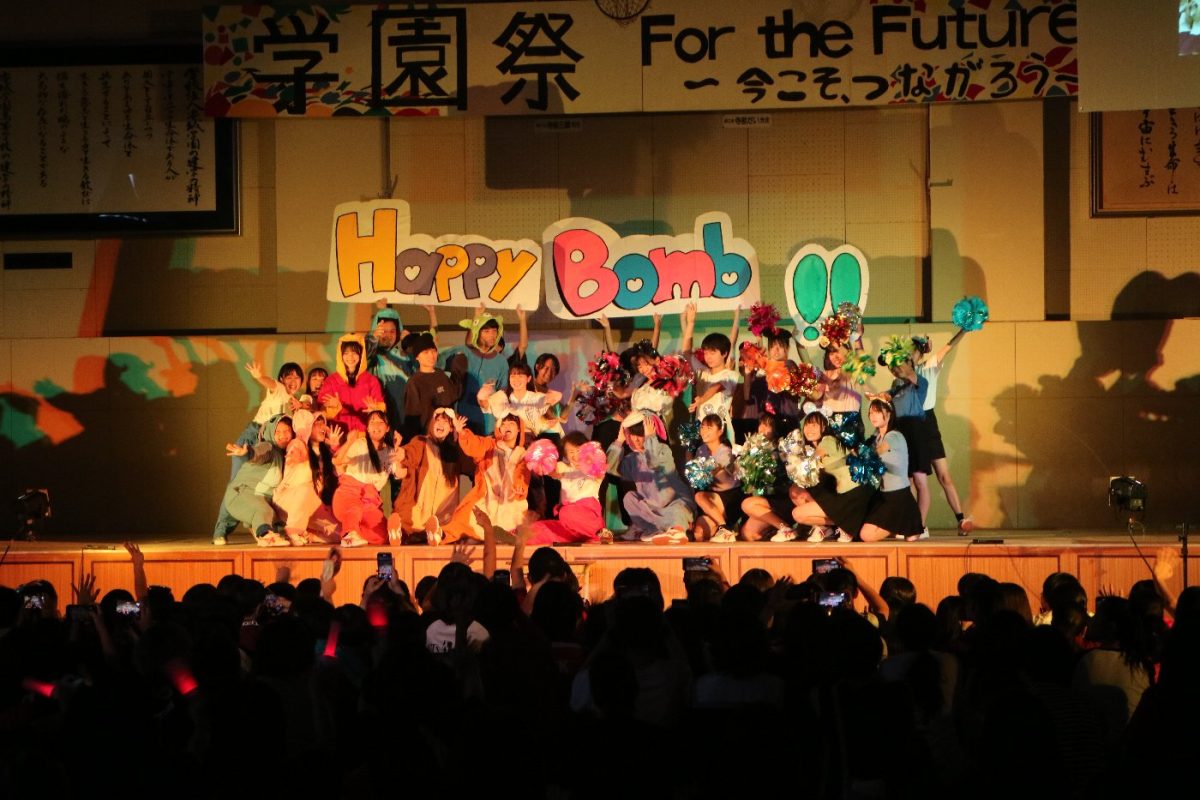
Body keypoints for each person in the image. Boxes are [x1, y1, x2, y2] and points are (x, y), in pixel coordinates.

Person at [914, 331, 973, 534]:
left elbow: (948, 348)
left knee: (944, 476)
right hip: (910, 425)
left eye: (914, 350)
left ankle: (961, 519)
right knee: (914, 480)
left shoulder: (928, 367)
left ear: (921, 351)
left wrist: (963, 329)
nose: (911, 354)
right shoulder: (901, 374)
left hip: (928, 423)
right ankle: (916, 524)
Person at [872, 336, 930, 537]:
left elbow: (908, 372)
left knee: (920, 480)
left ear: (909, 362)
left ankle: (920, 526)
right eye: (891, 367)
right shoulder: (895, 384)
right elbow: (886, 396)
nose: (895, 369)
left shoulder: (918, 380)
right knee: (905, 481)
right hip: (899, 431)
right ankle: (907, 524)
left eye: (897, 365)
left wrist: (906, 354)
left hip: (915, 430)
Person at [392, 408, 476, 545]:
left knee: (458, 529)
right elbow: (410, 453)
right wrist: (401, 453)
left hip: (443, 519)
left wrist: (461, 434)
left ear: (451, 428)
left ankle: (433, 534)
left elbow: (472, 462)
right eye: (437, 420)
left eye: (446, 422)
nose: (440, 424)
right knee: (410, 527)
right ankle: (399, 532)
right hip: (418, 515)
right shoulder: (421, 442)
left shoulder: (456, 451)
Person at [606, 412, 693, 543]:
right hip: (652, 508)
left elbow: (654, 461)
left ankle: (676, 531)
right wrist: (619, 441)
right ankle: (652, 529)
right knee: (629, 498)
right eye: (632, 435)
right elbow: (610, 468)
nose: (636, 439)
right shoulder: (632, 459)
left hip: (672, 503)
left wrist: (650, 437)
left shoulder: (663, 449)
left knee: (677, 510)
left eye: (640, 435)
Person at [792, 411, 878, 543]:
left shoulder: (828, 440)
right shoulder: (813, 447)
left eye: (814, 425)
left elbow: (813, 461)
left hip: (853, 494)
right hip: (840, 495)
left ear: (824, 427)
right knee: (796, 495)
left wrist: (793, 460)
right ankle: (829, 527)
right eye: (807, 425)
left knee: (797, 513)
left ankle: (848, 525)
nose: (809, 429)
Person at [443, 305, 528, 434]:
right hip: (461, 418)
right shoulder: (464, 353)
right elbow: (437, 361)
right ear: (478, 332)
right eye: (486, 331)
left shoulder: (501, 361)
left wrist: (522, 319)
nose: (492, 335)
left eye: (494, 331)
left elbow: (503, 391)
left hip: (487, 424)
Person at [213, 415, 294, 546]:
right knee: (264, 511)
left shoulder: (285, 454)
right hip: (241, 494)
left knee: (279, 513)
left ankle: (265, 531)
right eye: (278, 432)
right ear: (271, 433)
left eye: (287, 431)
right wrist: (247, 453)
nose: (283, 435)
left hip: (259, 499)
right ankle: (265, 535)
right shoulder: (269, 447)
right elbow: (259, 452)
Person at [455, 413, 531, 542]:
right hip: (487, 499)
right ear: (498, 428)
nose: (506, 426)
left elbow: (522, 475)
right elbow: (475, 445)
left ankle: (504, 535)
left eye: (511, 423)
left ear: (519, 429)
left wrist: (520, 487)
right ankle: (440, 535)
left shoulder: (523, 455)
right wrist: (462, 432)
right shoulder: (490, 445)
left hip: (510, 503)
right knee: (464, 519)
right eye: (503, 424)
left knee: (514, 525)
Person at [333, 410, 404, 547]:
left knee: (381, 534)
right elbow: (337, 461)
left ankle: (357, 533)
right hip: (348, 495)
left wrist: (397, 450)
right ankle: (349, 535)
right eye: (372, 422)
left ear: (387, 428)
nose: (376, 425)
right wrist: (349, 442)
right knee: (355, 509)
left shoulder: (390, 451)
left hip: (369, 502)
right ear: (367, 428)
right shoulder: (359, 444)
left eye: (380, 422)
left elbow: (401, 473)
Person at [271, 409, 342, 546]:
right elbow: (295, 450)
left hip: (311, 505)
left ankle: (311, 535)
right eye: (317, 423)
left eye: (324, 423)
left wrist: (334, 448)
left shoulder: (325, 455)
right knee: (306, 489)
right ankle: (293, 530)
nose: (323, 427)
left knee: (340, 532)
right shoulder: (298, 443)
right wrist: (295, 454)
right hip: (289, 501)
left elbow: (340, 473)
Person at [859, 399, 925, 542]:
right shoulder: (877, 437)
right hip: (883, 495)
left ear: (889, 414)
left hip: (898, 496)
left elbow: (880, 450)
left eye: (878, 412)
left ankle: (906, 521)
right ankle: (904, 523)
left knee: (867, 536)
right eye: (871, 413)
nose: (873, 416)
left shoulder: (894, 435)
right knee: (863, 532)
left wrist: (864, 457)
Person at [366, 303, 437, 431]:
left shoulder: (406, 357)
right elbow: (363, 352)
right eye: (383, 331)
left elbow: (430, 351)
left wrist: (432, 314)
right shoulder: (371, 357)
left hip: (407, 421)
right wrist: (373, 337)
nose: (388, 335)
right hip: (380, 423)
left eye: (392, 331)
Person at [527, 432, 605, 545]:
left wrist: (588, 463)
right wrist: (541, 457)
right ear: (565, 454)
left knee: (566, 512)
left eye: (578, 451)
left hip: (588, 518)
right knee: (537, 529)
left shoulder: (594, 469)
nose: (575, 455)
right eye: (571, 452)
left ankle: (596, 533)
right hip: (568, 524)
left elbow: (600, 469)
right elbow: (552, 470)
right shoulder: (564, 468)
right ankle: (515, 535)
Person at [228, 361, 303, 478]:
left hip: (272, 443)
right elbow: (271, 384)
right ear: (281, 379)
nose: (293, 382)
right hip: (255, 433)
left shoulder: (295, 401)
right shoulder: (280, 389)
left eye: (297, 378)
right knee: (239, 473)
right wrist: (260, 377)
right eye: (289, 377)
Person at [401, 333, 466, 441]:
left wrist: (459, 365)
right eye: (426, 352)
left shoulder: (440, 374)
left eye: (433, 351)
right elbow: (411, 419)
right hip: (427, 438)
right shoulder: (414, 382)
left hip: (447, 436)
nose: (431, 355)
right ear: (417, 356)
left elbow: (454, 394)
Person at [691, 414, 743, 543]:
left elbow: (710, 473)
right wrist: (688, 450)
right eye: (702, 427)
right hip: (712, 501)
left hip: (730, 498)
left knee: (699, 496)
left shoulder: (726, 452)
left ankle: (724, 528)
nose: (704, 431)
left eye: (709, 428)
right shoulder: (701, 450)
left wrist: (695, 472)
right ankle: (722, 530)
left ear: (720, 431)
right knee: (698, 533)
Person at [319, 334, 385, 433]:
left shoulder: (371, 380)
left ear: (361, 355)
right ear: (341, 355)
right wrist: (332, 408)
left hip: (364, 436)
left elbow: (380, 410)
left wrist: (376, 410)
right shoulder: (331, 381)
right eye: (346, 353)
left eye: (354, 353)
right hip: (338, 437)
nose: (350, 357)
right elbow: (321, 414)